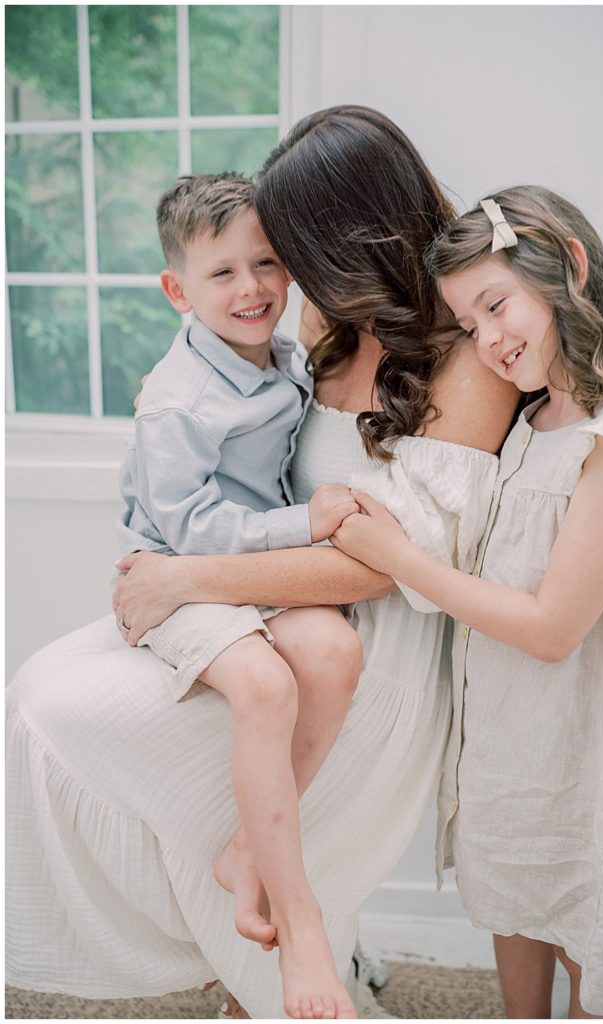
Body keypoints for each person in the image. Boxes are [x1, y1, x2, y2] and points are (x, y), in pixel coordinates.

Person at [6, 107, 517, 1019]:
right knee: (47, 693)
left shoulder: (463, 359)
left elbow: (386, 567)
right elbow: (226, 407)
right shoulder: (320, 322)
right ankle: (250, 931)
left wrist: (186, 578)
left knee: (106, 713)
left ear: (353, 237)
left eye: (288, 256)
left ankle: (278, 923)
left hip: (372, 655)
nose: (279, 283)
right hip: (279, 607)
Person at [330, 187, 603, 1019]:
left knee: (584, 929)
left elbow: (556, 628)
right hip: (512, 740)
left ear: (568, 267)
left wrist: (398, 557)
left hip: (588, 742)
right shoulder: (530, 421)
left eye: (498, 305)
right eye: (470, 323)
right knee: (515, 906)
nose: (490, 340)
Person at [114, 171, 363, 1018]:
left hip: (244, 571)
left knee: (335, 648)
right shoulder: (176, 404)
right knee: (266, 684)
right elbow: (190, 535)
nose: (252, 288)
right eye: (222, 274)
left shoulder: (285, 357)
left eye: (266, 263)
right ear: (178, 290)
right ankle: (301, 925)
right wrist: (306, 523)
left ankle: (244, 853)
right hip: (175, 575)